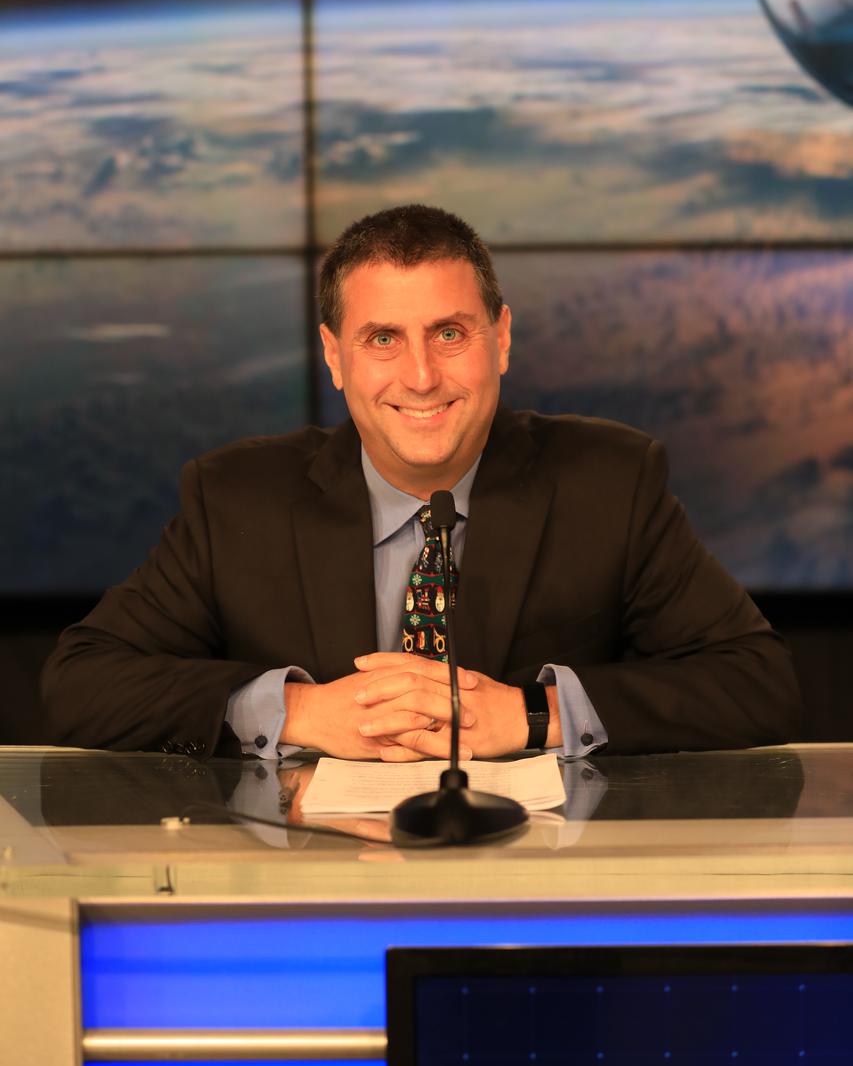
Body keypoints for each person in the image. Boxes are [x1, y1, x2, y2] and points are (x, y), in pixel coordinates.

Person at [41, 204, 801, 761]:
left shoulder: (610, 480)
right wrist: (298, 710)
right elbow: (83, 681)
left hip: (540, 893)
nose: (421, 376)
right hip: (310, 889)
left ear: (499, 339)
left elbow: (755, 683)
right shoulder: (239, 497)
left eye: (449, 333)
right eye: (382, 339)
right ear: (334, 357)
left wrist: (534, 717)